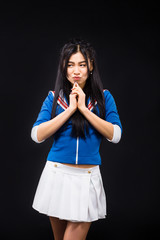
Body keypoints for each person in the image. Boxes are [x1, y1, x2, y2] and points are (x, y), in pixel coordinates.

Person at [31, 38, 122, 240]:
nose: (76, 70)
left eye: (82, 64)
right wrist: (71, 109)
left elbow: (115, 135)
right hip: (57, 175)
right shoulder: (54, 98)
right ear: (64, 68)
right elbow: (36, 135)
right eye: (70, 64)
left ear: (91, 66)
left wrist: (83, 109)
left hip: (88, 177)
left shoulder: (104, 97)